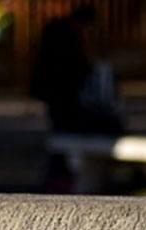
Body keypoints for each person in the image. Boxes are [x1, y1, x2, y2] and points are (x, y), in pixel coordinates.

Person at [30, 5, 124, 135]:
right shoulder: (70, 32)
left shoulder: (55, 27)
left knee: (57, 116)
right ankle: (63, 144)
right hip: (62, 83)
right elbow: (74, 60)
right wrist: (87, 70)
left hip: (51, 82)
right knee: (63, 115)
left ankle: (60, 142)